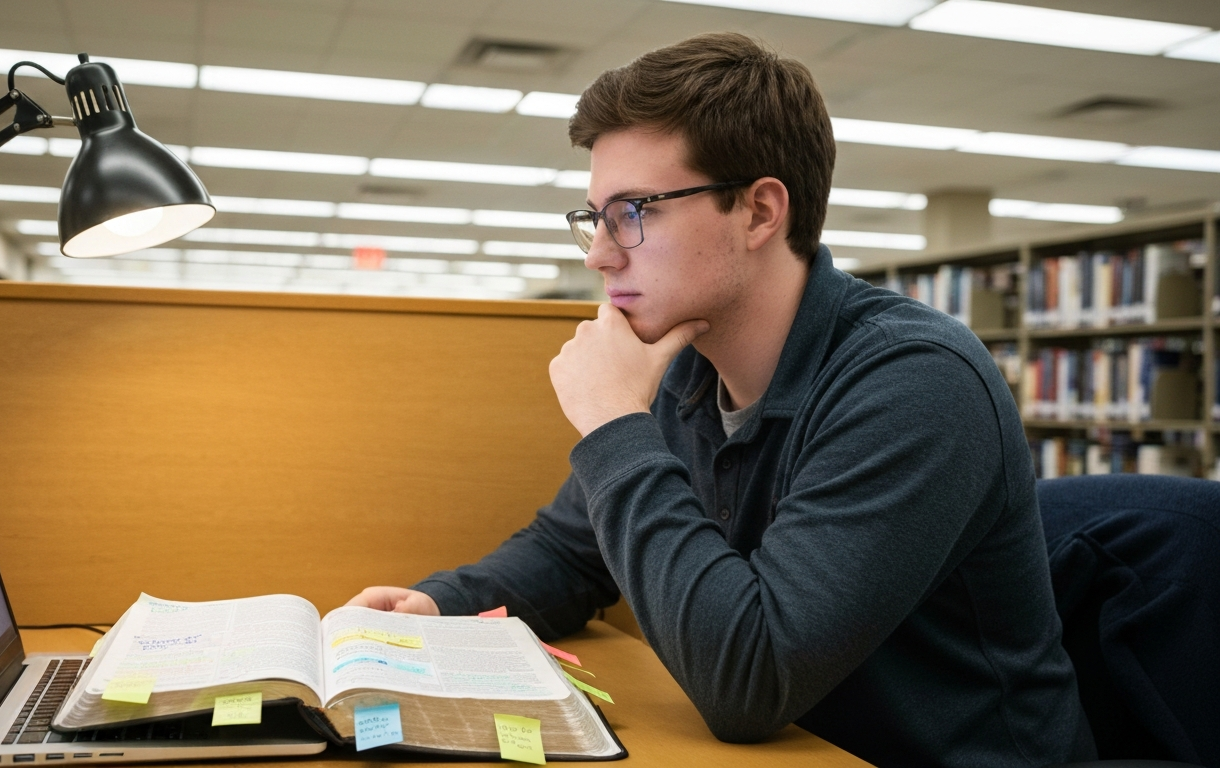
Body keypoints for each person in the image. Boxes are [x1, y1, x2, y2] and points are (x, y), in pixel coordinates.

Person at [348, 32, 1094, 767]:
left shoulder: (915, 383)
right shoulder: (683, 368)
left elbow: (752, 681)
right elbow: (570, 552)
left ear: (761, 212)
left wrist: (613, 424)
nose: (603, 253)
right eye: (595, 218)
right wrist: (438, 608)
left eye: (635, 210)